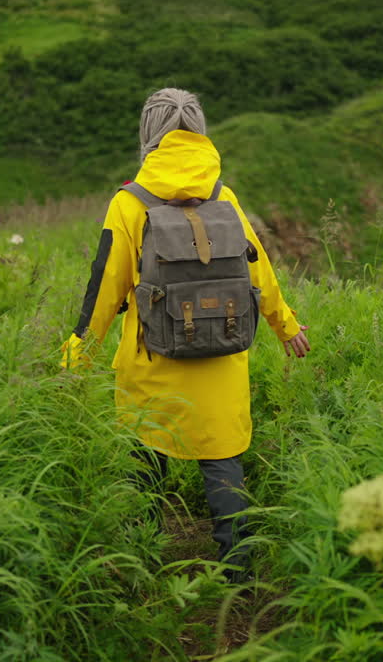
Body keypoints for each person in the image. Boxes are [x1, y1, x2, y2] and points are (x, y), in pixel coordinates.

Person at [61, 88, 310, 582]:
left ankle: (143, 561)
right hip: (221, 358)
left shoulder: (129, 202)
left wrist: (73, 360)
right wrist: (287, 326)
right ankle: (238, 572)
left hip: (153, 362)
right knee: (222, 460)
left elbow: (104, 289)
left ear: (148, 133)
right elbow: (258, 274)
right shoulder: (224, 196)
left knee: (148, 454)